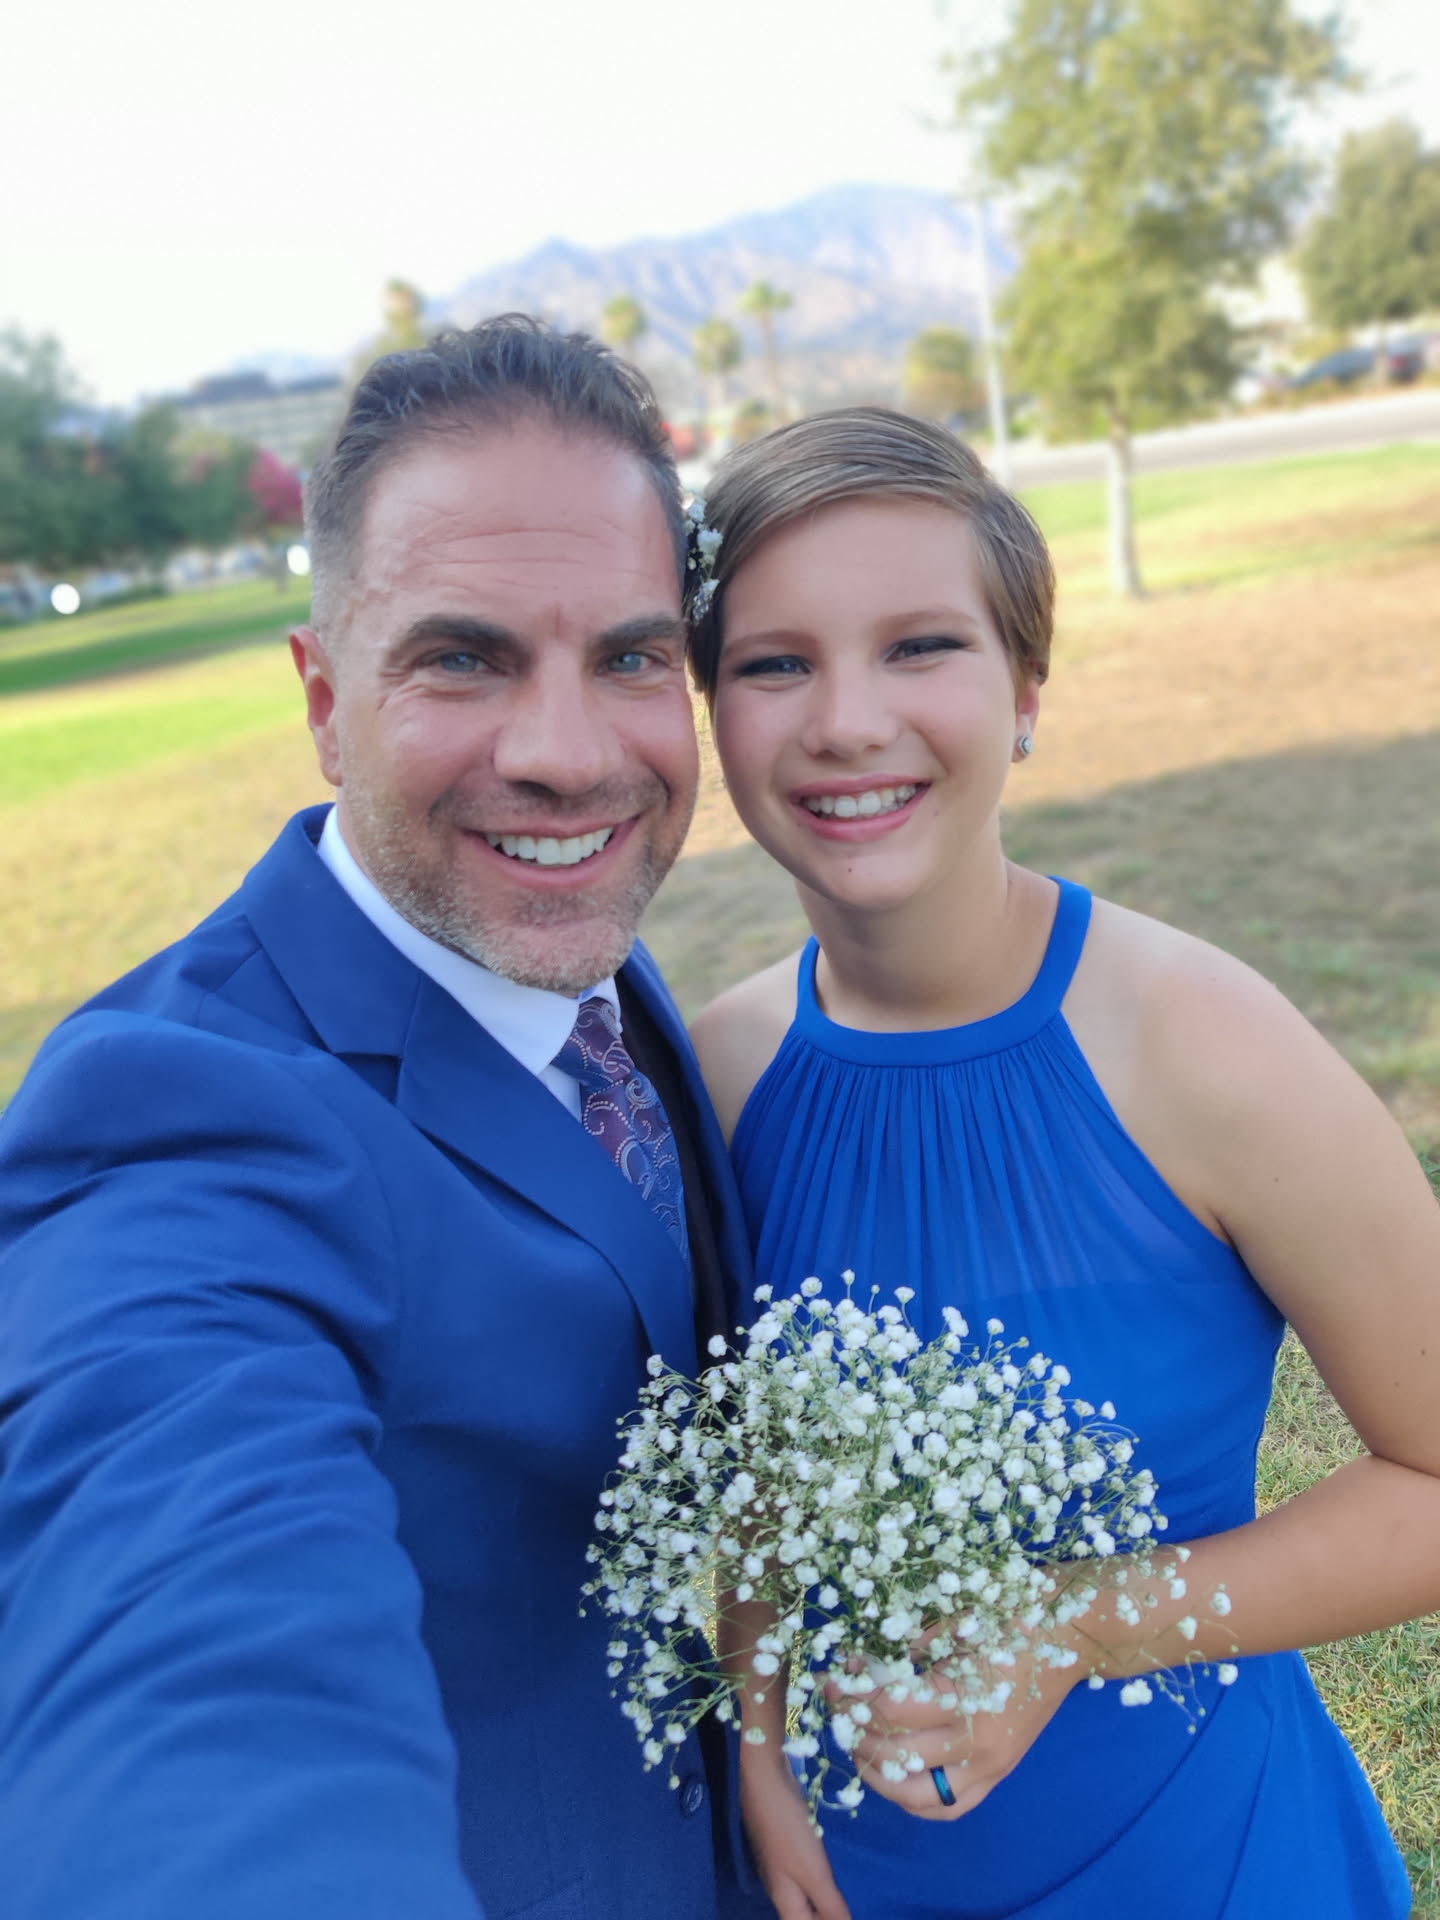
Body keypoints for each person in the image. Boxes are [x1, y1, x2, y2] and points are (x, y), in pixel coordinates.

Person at [0, 318, 772, 1920]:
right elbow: (186, 1644)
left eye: (631, 657)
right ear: (324, 699)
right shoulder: (177, 1118)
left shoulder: (573, 958)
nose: (568, 757)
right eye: (462, 659)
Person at [686, 407, 1440, 1920]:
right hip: (849, 1874)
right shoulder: (717, 1073)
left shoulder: (1206, 1044)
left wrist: (1071, 1627)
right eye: (775, 663)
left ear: (1026, 689)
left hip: (1196, 1864)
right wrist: (758, 1746)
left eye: (921, 646)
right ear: (713, 714)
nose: (847, 721)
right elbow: (762, 1476)